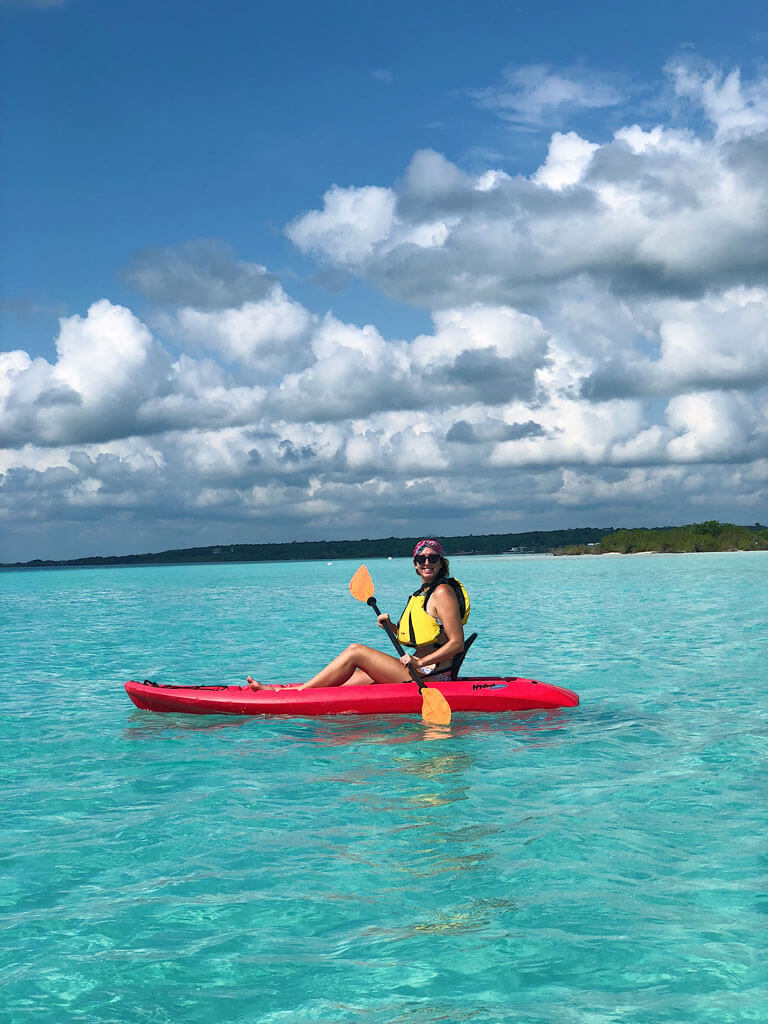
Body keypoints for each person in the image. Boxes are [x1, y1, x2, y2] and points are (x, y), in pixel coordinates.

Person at [246, 538, 470, 690]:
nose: (427, 563)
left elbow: (456, 644)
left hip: (431, 676)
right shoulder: (423, 593)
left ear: (442, 563)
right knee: (342, 684)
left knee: (355, 652)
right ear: (415, 565)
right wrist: (392, 626)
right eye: (422, 559)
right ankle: (277, 690)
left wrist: (419, 663)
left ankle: (295, 695)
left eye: (433, 558)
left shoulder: (443, 592)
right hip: (416, 669)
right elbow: (423, 637)